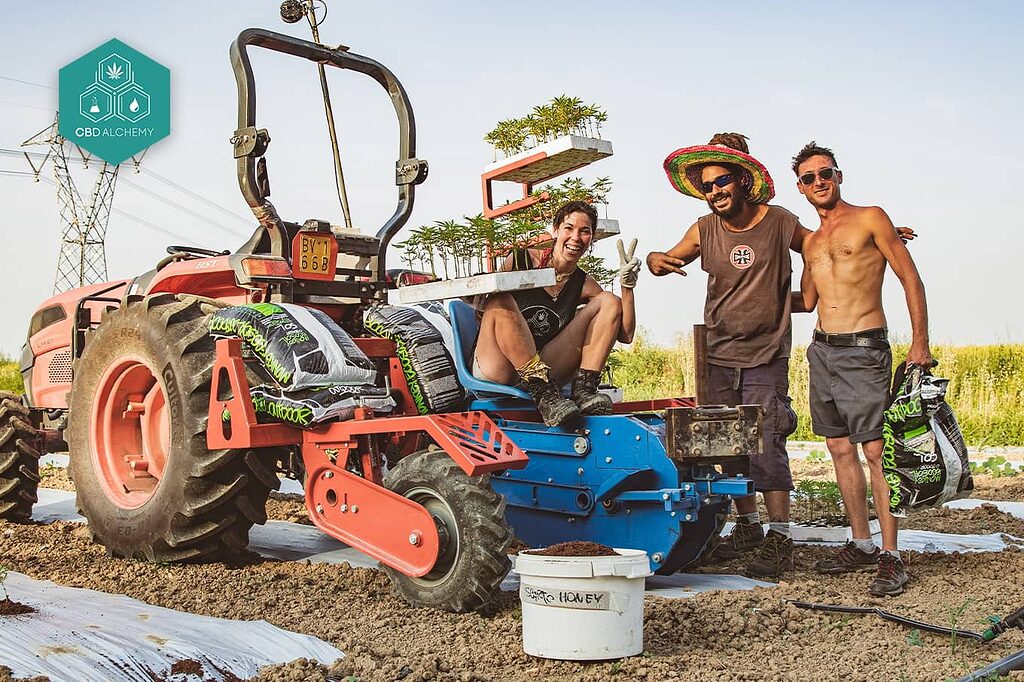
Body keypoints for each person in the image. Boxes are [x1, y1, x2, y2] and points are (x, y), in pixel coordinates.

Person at [646, 133, 806, 579]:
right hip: (715, 351)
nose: (715, 191)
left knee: (767, 440)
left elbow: (822, 247)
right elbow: (664, 259)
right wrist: (656, 261)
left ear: (742, 179)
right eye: (707, 185)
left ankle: (781, 538)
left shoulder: (779, 222)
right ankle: (748, 527)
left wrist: (875, 238)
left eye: (722, 181)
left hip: (766, 351)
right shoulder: (703, 229)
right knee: (725, 442)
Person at [794, 141, 931, 597]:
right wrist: (743, 291)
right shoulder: (810, 242)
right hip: (821, 351)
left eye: (826, 173)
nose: (819, 182)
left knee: (875, 451)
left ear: (838, 175)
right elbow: (807, 301)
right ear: (801, 187)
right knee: (837, 448)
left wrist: (920, 343)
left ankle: (891, 556)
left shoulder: (871, 217)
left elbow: (910, 277)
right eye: (810, 177)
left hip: (864, 349)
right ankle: (861, 542)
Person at [473, 200, 640, 427]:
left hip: (546, 369)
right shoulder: (521, 260)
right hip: (500, 366)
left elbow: (625, 335)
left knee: (609, 301)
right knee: (500, 299)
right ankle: (542, 393)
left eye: (585, 232)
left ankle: (584, 391)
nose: (575, 238)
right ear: (555, 230)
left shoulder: (583, 283)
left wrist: (627, 288)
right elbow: (487, 310)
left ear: (591, 239)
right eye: (569, 228)